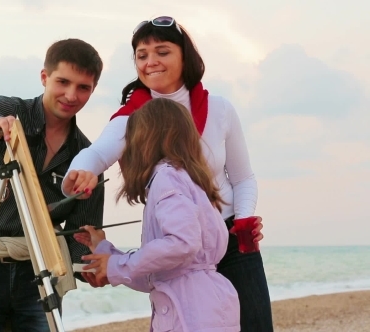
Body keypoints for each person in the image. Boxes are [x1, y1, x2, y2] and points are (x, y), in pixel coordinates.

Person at [62, 17, 274, 331]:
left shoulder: (220, 109)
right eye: (142, 55)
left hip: (228, 238)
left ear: (184, 56)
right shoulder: (134, 119)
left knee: (255, 325)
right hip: (179, 241)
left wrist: (243, 222)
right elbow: (97, 153)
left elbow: (242, 178)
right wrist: (80, 173)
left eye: (162, 51)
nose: (151, 62)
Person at [0, 38, 105, 332]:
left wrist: (94, 266)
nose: (71, 95)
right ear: (44, 77)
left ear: (93, 90)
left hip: (39, 276)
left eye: (83, 87)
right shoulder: (11, 111)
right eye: (63, 82)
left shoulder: (88, 158)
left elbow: (81, 235)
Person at [75, 98, 240, 332]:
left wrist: (116, 265)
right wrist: (107, 256)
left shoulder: (167, 177)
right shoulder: (186, 179)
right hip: (202, 307)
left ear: (145, 141)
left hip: (192, 315)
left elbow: (182, 243)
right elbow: (158, 275)